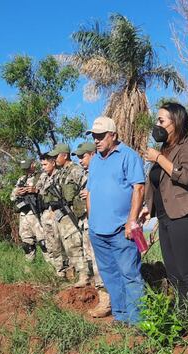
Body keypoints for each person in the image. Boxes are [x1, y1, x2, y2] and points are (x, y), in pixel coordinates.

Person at [138, 102, 188, 319]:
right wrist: (147, 208)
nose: (156, 125)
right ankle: (185, 318)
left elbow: (185, 176)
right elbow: (156, 182)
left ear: (176, 122)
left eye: (161, 120)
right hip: (165, 218)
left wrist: (158, 159)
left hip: (184, 217)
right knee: (175, 274)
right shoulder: (164, 149)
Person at [85, 116, 146, 325]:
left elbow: (139, 188)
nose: (97, 140)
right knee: (110, 275)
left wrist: (131, 221)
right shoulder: (94, 162)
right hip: (97, 231)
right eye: (94, 136)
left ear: (113, 135)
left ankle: (138, 321)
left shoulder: (129, 156)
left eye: (101, 136)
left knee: (130, 275)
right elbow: (90, 192)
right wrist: (91, 221)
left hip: (122, 230)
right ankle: (121, 316)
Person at [73, 141, 110, 317]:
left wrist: (93, 193)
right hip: (88, 222)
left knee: (100, 262)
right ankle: (102, 297)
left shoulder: (102, 171)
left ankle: (107, 302)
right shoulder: (87, 174)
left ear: (93, 155)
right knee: (91, 260)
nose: (80, 160)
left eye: (83, 156)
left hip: (102, 222)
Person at [50, 143, 90, 288]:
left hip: (74, 213)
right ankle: (80, 273)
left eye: (56, 156)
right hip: (63, 214)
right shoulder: (60, 173)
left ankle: (84, 275)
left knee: (75, 244)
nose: (54, 159)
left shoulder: (75, 170)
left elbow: (86, 186)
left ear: (64, 155)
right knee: (68, 246)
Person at [10, 159, 49, 263]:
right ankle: (29, 267)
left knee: (44, 241)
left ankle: (52, 266)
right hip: (24, 214)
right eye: (24, 168)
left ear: (33, 165)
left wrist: (35, 190)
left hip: (37, 213)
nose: (26, 170)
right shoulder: (21, 179)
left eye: (28, 167)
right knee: (27, 243)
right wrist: (18, 192)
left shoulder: (42, 176)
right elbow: (12, 197)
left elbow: (49, 193)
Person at [36, 154, 67, 278]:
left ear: (53, 163)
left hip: (57, 212)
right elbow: (37, 189)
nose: (43, 167)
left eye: (45, 164)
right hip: (45, 213)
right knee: (50, 242)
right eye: (42, 165)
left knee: (60, 241)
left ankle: (67, 268)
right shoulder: (43, 177)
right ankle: (58, 269)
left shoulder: (59, 175)